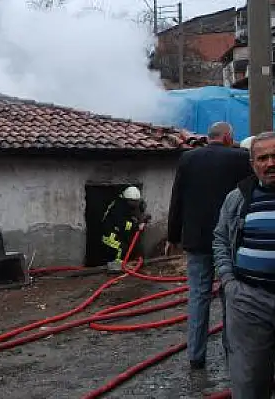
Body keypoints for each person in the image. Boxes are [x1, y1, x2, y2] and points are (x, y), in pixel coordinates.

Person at [166, 121, 252, 370]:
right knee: (231, 296)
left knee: (198, 296)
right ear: (227, 138)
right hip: (230, 240)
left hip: (197, 239)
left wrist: (173, 237)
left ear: (209, 137)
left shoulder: (188, 159)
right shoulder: (241, 158)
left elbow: (177, 199)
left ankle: (196, 355)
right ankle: (231, 353)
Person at [214, 131, 275, 398]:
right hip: (249, 300)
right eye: (263, 158)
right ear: (253, 164)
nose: (270, 163)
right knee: (249, 382)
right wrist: (228, 281)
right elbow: (219, 238)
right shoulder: (238, 198)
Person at [99, 186, 151, 267]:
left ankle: (126, 263)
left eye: (137, 201)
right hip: (109, 235)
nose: (136, 204)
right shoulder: (118, 208)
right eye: (134, 202)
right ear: (128, 200)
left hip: (118, 231)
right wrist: (137, 226)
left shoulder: (126, 205)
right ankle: (118, 267)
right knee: (122, 248)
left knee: (130, 245)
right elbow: (123, 224)